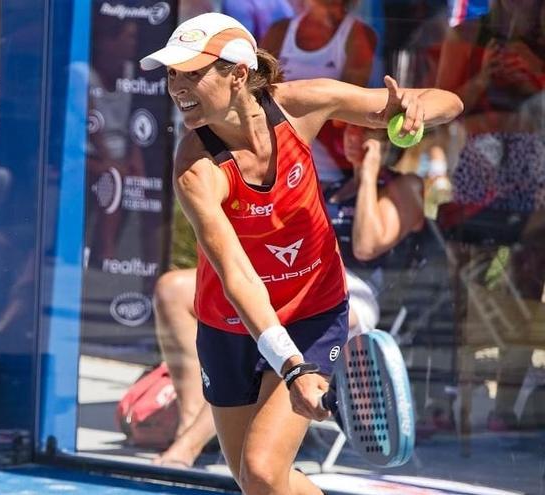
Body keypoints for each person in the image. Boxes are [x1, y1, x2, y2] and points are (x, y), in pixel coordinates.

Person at [140, 12, 462, 492]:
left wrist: (416, 107)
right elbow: (237, 276)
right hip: (229, 323)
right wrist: (293, 367)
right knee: (256, 481)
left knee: (265, 470)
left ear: (238, 74)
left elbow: (449, 102)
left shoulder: (298, 106)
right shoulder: (195, 167)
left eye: (192, 72)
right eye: (171, 73)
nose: (177, 85)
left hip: (313, 310)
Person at [152, 125, 427, 468]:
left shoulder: (405, 186)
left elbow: (367, 245)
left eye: (366, 134)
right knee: (173, 289)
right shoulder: (326, 183)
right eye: (349, 131)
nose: (355, 138)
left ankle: (187, 447)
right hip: (291, 279)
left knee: (259, 469)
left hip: (349, 294)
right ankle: (191, 425)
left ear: (388, 144)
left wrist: (368, 175)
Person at [435, 0, 545, 433]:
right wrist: (483, 77)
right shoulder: (466, 35)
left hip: (534, 165)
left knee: (528, 278)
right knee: (465, 282)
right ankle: (454, 401)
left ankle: (507, 403)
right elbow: (437, 109)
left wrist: (535, 72)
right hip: (480, 166)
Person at [261, 0, 377, 184]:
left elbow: (346, 112)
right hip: (276, 163)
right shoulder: (279, 30)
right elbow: (257, 97)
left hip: (329, 171)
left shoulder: (359, 34)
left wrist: (290, 100)